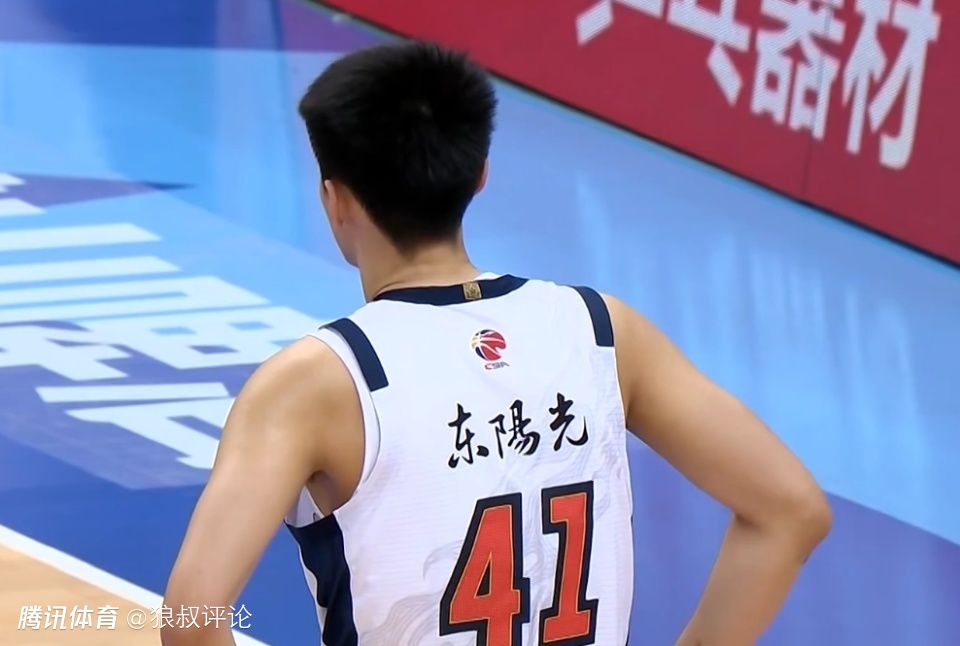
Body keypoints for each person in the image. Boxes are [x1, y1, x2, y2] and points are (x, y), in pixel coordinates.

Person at [161, 41, 831, 646]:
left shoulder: (313, 383)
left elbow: (190, 618)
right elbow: (791, 510)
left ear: (335, 200)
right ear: (480, 173)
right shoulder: (600, 330)